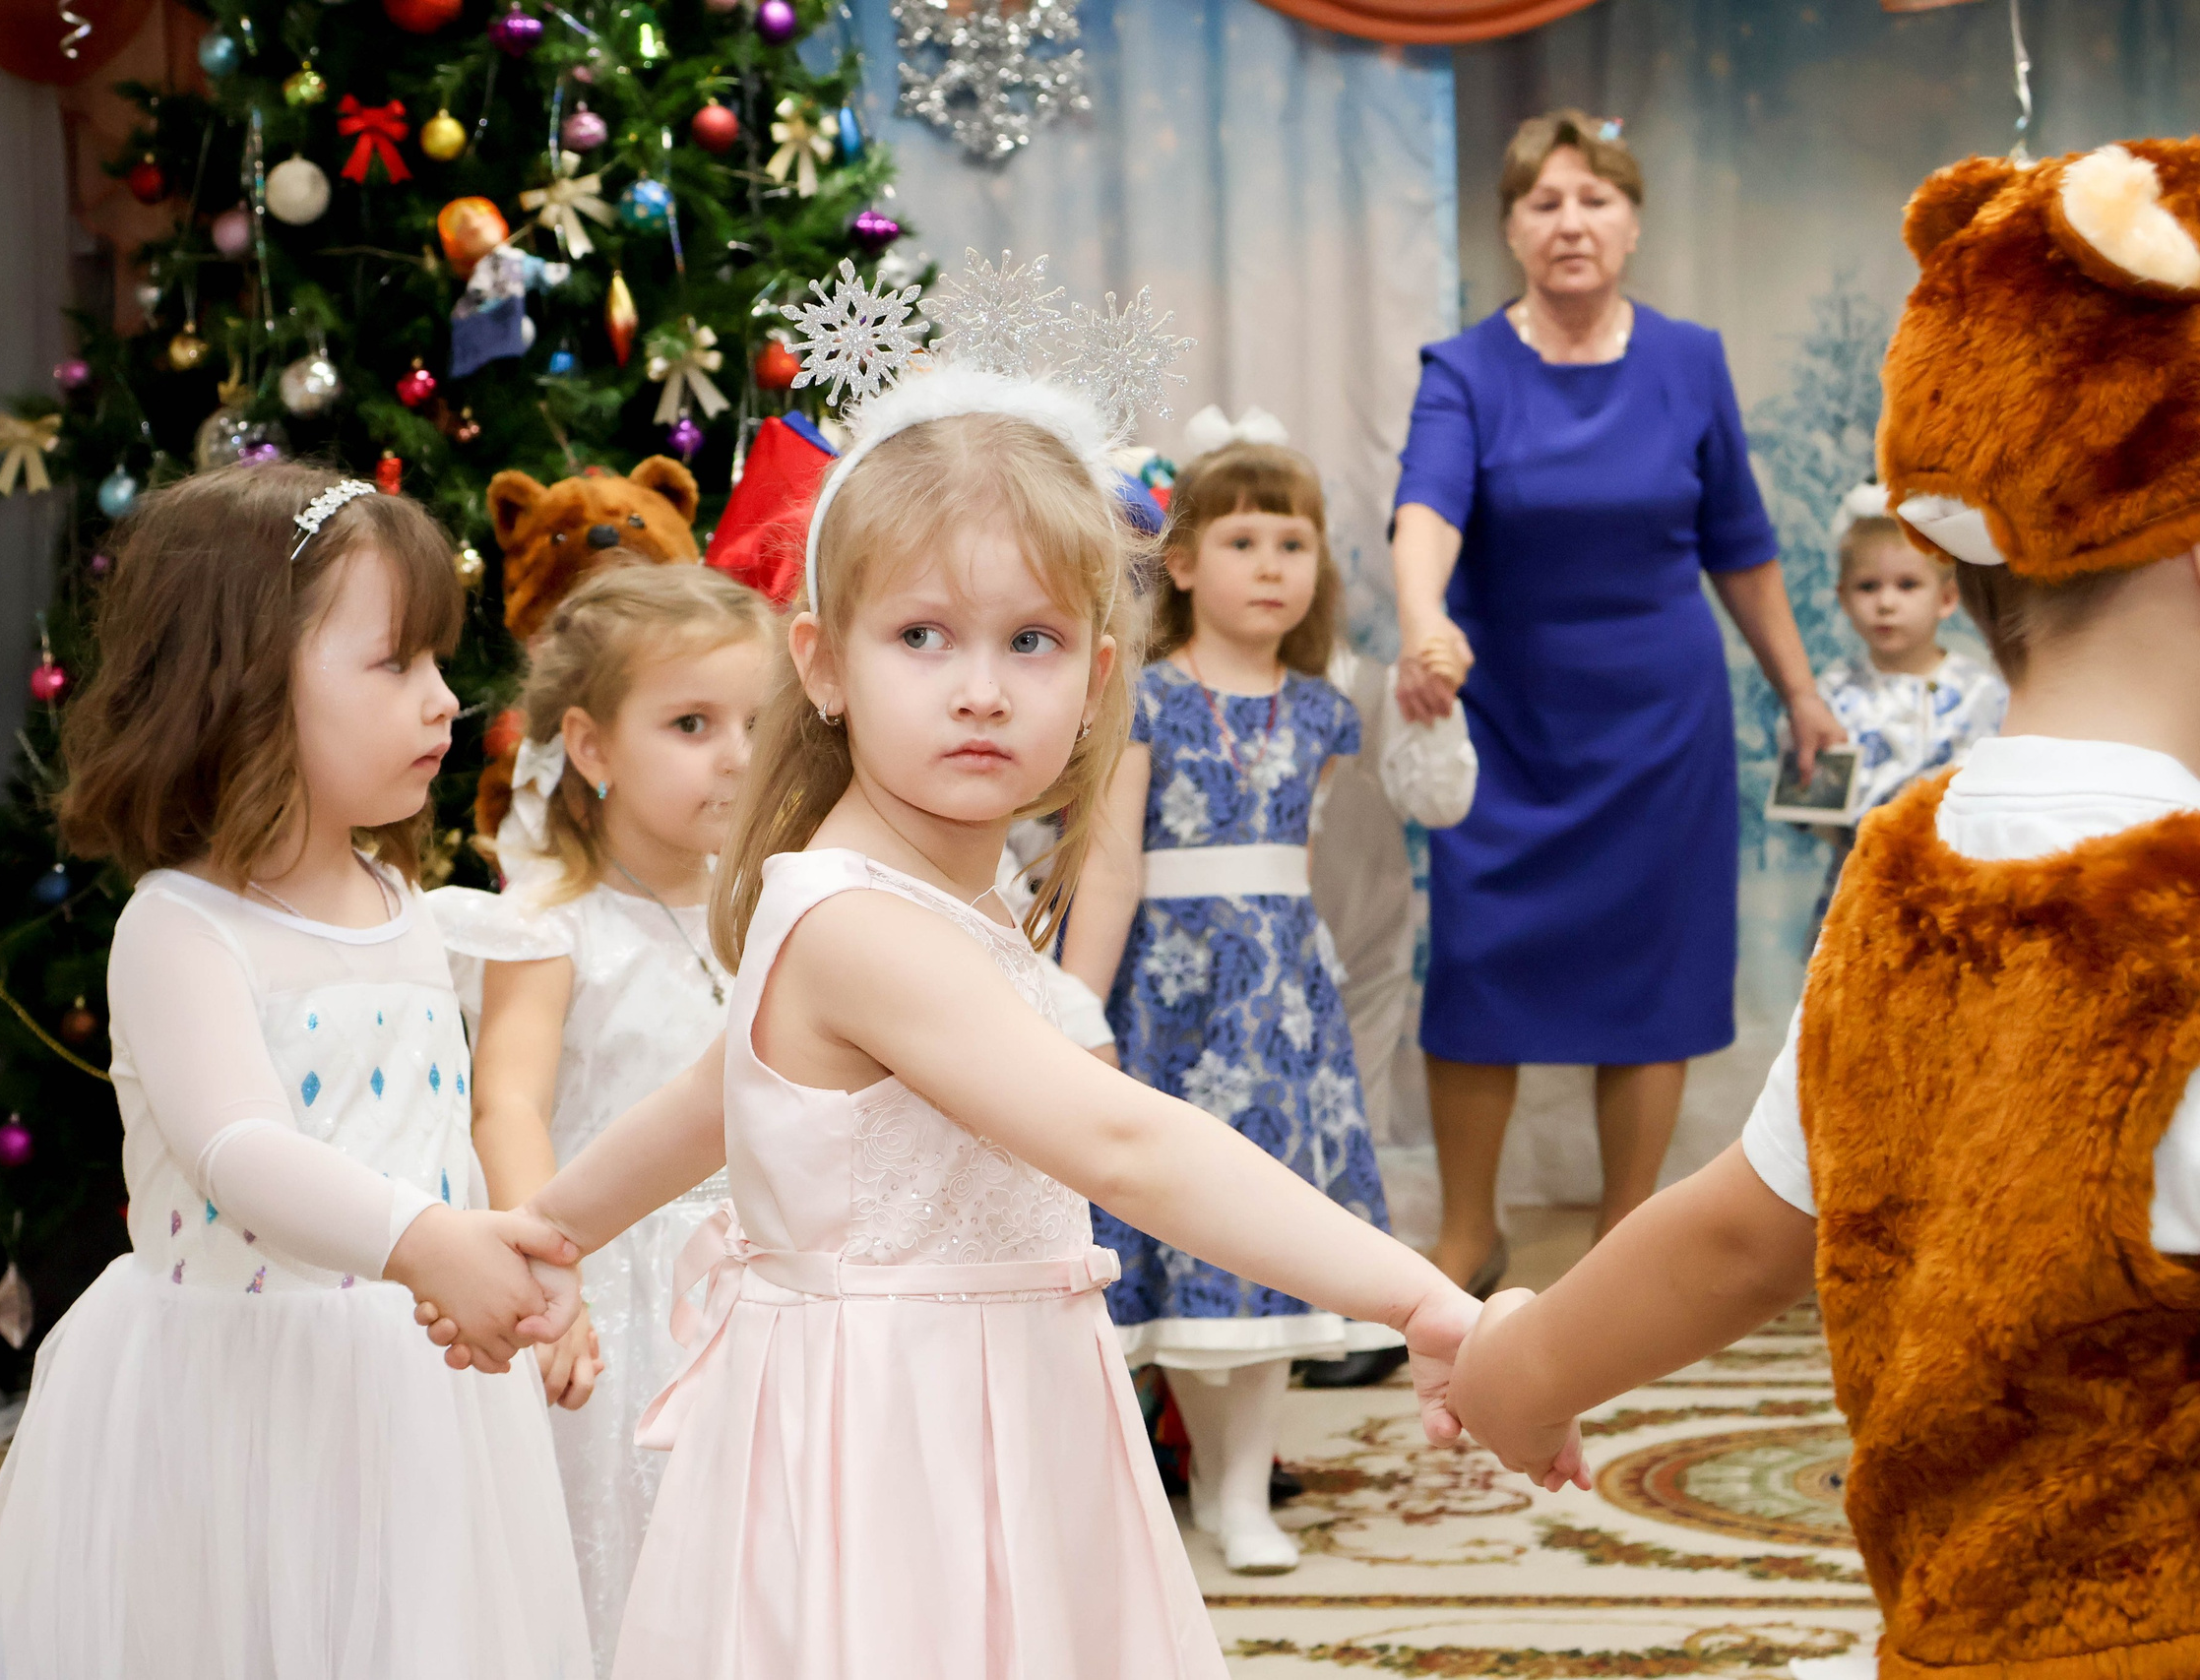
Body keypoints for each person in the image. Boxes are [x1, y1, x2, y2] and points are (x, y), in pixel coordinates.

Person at [416, 271, 1524, 1676]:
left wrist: (545, 1234)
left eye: (1033, 641)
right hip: (898, 1434)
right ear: (821, 663)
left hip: (992, 1403)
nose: (982, 686)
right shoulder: (862, 925)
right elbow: (1123, 1137)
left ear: (1099, 676)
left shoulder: (928, 891)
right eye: (922, 635)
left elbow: (713, 1093)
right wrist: (1418, 1294)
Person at [1446, 142, 2200, 1680]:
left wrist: (1519, 1370)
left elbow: (1741, 1224)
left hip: (1955, 1631)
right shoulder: (2170, 904)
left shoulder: (1906, 869)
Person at [0, 464, 592, 1679]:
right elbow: (239, 1154)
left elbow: (440, 1130)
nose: (446, 702)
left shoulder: (407, 905)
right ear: (239, 686)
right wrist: (427, 1242)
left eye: (440, 663)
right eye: (395, 664)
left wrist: (505, 1255)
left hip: (413, 1391)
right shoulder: (181, 927)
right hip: (235, 1404)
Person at [1389, 108, 1846, 1290]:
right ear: (1509, 230)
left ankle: (1623, 1244)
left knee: (1649, 978)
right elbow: (1424, 507)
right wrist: (1423, 617)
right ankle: (1467, 1236)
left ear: (1633, 223)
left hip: (1660, 725)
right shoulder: (1466, 370)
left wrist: (1797, 691)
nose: (1570, 222)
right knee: (1480, 970)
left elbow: (1738, 542)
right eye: (1543, 203)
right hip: (1501, 721)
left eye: (1592, 199)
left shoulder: (1689, 360)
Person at [429, 564, 775, 1673]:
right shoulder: (550, 927)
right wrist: (542, 1271)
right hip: (617, 1296)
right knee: (629, 1550)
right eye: (690, 723)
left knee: (759, 1553)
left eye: (759, 723)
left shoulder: (778, 905)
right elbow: (510, 1104)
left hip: (762, 1285)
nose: (735, 754)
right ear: (589, 747)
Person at [1060, 433, 1396, 1574]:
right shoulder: (1144, 701)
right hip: (1173, 1007)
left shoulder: (1321, 714)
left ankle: (1241, 1485)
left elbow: (1295, 861)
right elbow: (1108, 863)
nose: (1270, 565)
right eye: (1242, 540)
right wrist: (1078, 1009)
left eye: (1292, 543)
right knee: (1181, 1238)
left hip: (1283, 1014)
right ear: (1187, 563)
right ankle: (1196, 1470)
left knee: (1267, 1242)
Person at [1803, 483, 2006, 939]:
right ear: (1843, 597)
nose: (1886, 602)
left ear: (1947, 598)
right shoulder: (1829, 697)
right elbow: (1813, 809)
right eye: (1868, 586)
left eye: (1907, 584)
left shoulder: (1981, 692)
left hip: (1954, 885)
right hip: (1860, 887)